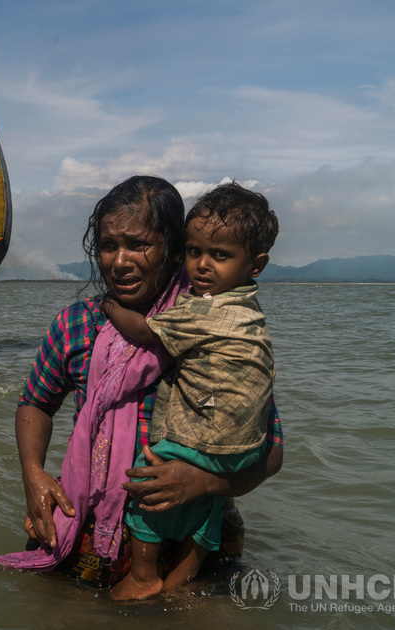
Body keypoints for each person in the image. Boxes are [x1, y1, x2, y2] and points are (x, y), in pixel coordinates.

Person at [0, 176, 284, 593]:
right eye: (108, 246)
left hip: (192, 539)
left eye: (138, 245)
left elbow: (269, 451)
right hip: (87, 530)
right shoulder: (77, 324)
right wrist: (33, 476)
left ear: (174, 250)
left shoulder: (214, 327)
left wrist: (204, 482)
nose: (119, 261)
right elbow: (35, 402)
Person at [101, 182, 279, 600]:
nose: (202, 266)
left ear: (257, 265)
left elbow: (145, 332)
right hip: (243, 448)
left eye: (219, 255)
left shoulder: (199, 309)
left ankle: (144, 575)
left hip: (207, 442)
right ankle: (181, 583)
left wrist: (109, 307)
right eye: (195, 252)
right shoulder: (251, 315)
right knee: (208, 513)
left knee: (149, 483)